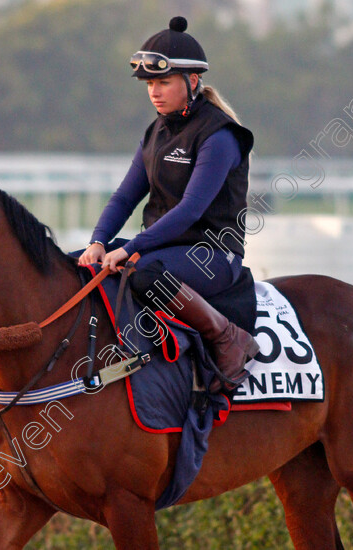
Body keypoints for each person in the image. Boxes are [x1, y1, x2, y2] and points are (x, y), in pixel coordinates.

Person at [77, 16, 259, 392]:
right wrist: (98, 240)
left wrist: (131, 247)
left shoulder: (220, 135)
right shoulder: (157, 130)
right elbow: (126, 196)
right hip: (164, 250)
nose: (154, 92)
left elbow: (191, 210)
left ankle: (228, 338)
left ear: (192, 82)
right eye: (149, 84)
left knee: (144, 273)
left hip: (213, 256)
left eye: (163, 82)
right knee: (77, 262)